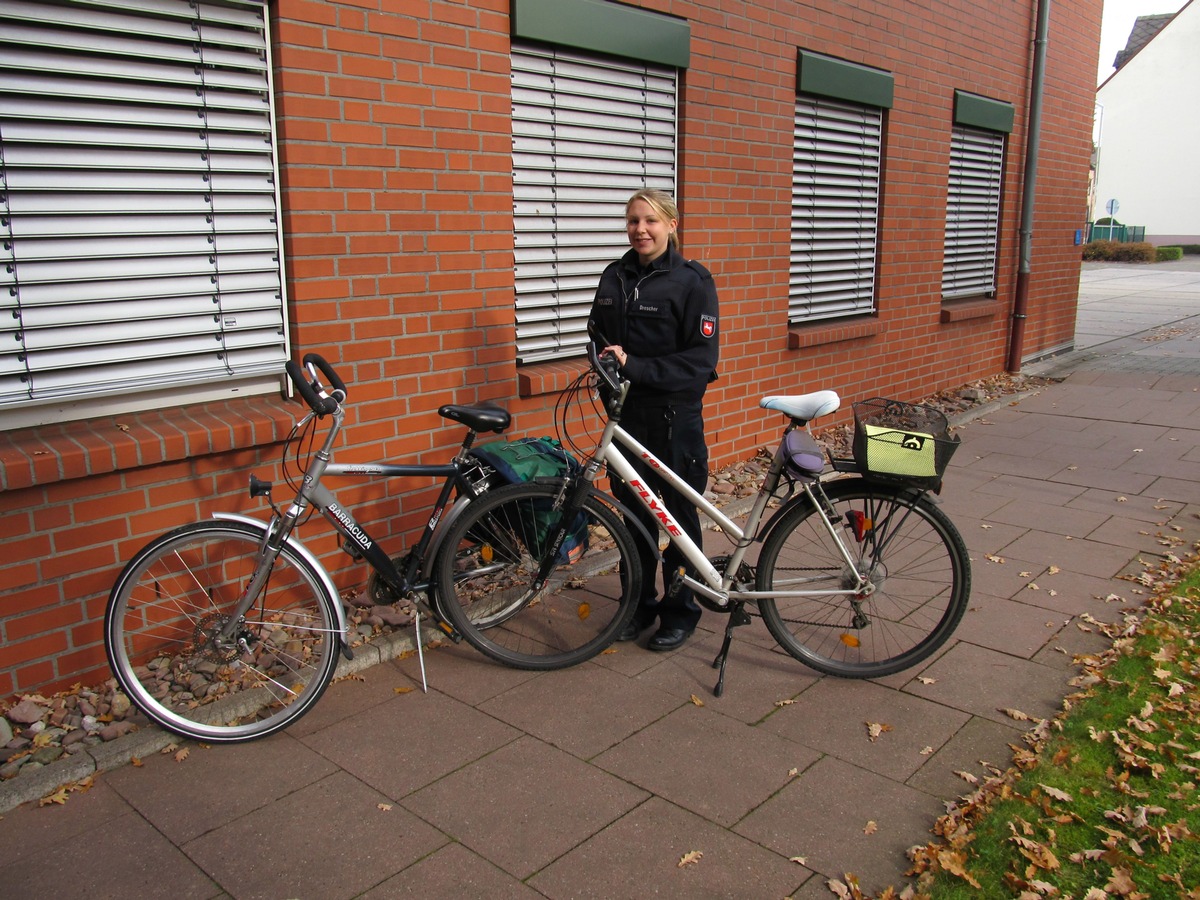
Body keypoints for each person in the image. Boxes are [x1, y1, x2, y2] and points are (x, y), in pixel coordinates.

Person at [587, 189, 719, 651]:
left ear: (671, 225)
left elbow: (699, 363)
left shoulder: (692, 281)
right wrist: (609, 383)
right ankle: (637, 607)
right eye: (632, 221)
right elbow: (598, 339)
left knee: (678, 521)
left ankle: (681, 613)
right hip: (625, 420)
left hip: (674, 420)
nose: (640, 229)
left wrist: (635, 367)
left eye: (650, 221)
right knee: (633, 519)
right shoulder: (613, 277)